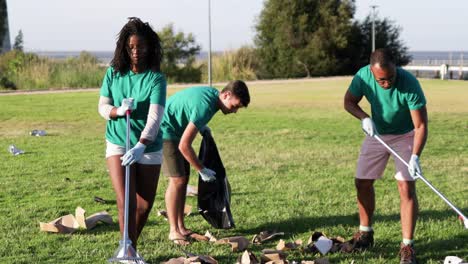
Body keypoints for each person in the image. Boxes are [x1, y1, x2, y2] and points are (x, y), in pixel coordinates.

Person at [344, 48, 428, 264]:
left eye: (390, 77)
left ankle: (407, 247)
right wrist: (364, 117)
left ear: (395, 68)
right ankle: (365, 233)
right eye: (381, 80)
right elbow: (349, 102)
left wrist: (415, 156)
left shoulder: (409, 83)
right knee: (362, 182)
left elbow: (420, 126)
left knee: (405, 186)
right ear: (372, 72)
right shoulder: (363, 76)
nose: (387, 83)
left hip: (405, 136)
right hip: (378, 134)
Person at [98, 17, 166, 250]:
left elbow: (155, 119)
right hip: (118, 141)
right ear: (124, 48)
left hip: (148, 145)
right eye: (131, 47)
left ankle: (129, 246)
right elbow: (102, 107)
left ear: (150, 47)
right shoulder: (113, 73)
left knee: (144, 205)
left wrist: (141, 145)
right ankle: (127, 249)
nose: (136, 51)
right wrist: (118, 111)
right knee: (126, 201)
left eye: (141, 46)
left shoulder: (156, 78)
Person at [160, 81, 250, 245]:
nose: (235, 111)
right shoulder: (206, 107)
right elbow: (184, 146)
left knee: (183, 179)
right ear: (226, 95)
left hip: (175, 130)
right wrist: (202, 170)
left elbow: (190, 109)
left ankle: (181, 227)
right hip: (165, 130)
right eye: (234, 106)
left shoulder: (213, 96)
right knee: (177, 180)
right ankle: (174, 231)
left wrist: (202, 127)